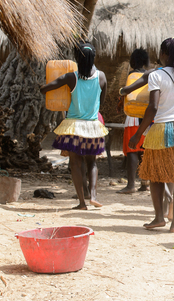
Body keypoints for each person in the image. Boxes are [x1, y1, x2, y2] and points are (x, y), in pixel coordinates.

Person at [124, 37, 174, 233]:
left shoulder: (156, 76)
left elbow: (152, 108)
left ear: (164, 54)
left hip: (161, 129)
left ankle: (159, 217)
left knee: (156, 175)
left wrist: (138, 134)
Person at [40, 42, 108, 210]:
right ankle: (93, 195)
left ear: (77, 58)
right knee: (92, 163)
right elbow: (102, 102)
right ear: (94, 57)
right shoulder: (102, 77)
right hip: (93, 126)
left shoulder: (71, 77)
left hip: (73, 127)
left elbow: (46, 89)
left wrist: (42, 86)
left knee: (75, 164)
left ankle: (82, 203)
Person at [117, 48, 150, 194]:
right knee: (145, 151)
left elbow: (126, 93)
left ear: (133, 61)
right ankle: (145, 183)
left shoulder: (132, 75)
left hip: (133, 117)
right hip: (148, 118)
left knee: (132, 152)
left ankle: (130, 185)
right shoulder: (151, 75)